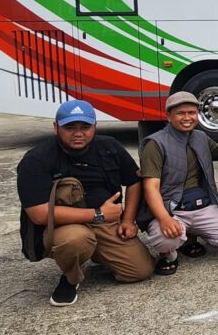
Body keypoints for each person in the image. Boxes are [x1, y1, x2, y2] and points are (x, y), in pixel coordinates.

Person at [16, 100, 153, 306]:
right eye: (69, 127)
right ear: (56, 128)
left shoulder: (110, 147)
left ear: (95, 127)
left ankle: (98, 253)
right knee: (76, 240)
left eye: (85, 127)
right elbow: (39, 213)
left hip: (105, 223)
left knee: (140, 270)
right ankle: (71, 277)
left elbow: (134, 182)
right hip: (64, 226)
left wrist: (127, 220)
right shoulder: (37, 159)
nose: (78, 133)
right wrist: (98, 214)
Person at [141, 92, 218, 276]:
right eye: (181, 113)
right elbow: (150, 188)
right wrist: (165, 219)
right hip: (171, 208)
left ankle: (189, 237)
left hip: (201, 205)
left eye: (192, 112)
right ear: (168, 116)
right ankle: (169, 255)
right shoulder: (155, 143)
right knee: (166, 240)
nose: (187, 118)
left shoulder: (200, 136)